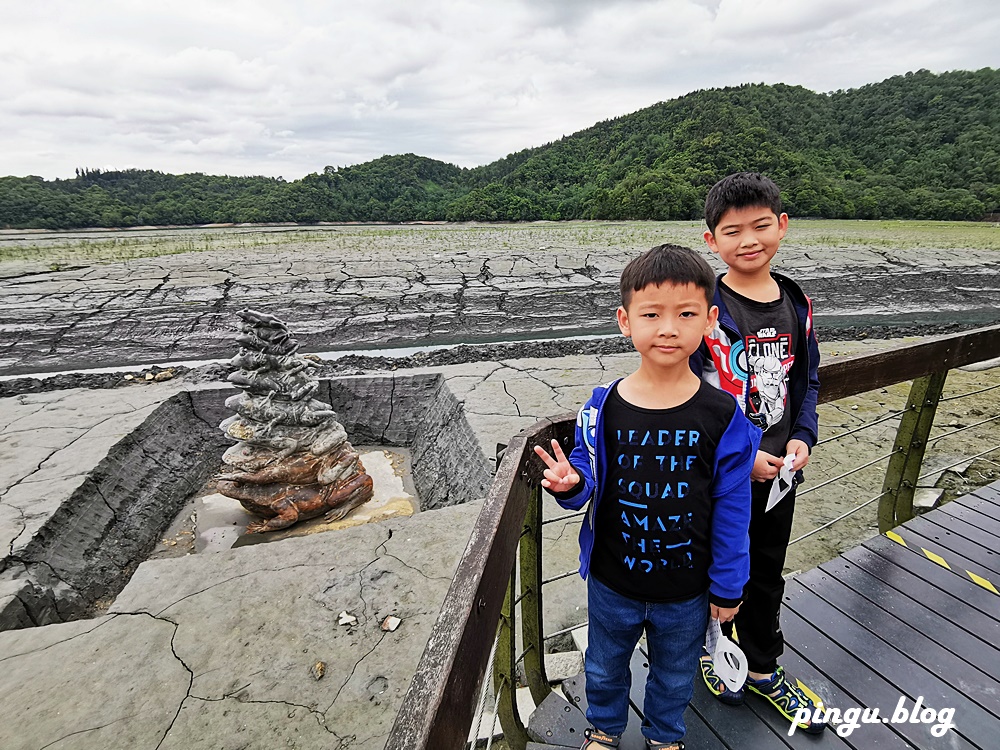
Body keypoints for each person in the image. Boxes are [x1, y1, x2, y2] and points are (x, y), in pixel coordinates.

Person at [534, 244, 761, 750]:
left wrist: (729, 587)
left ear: (710, 320)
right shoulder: (603, 406)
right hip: (613, 581)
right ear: (624, 320)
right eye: (651, 314)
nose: (668, 328)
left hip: (686, 589)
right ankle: (603, 730)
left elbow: (732, 508)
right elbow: (588, 474)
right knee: (604, 666)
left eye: (686, 314)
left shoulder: (723, 414)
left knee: (675, 676)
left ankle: (664, 737)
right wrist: (572, 486)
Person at [693, 172, 826, 734]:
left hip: (779, 476)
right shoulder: (704, 308)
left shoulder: (795, 302)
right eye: (732, 231)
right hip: (721, 479)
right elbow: (689, 396)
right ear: (711, 240)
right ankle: (714, 652)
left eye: (761, 226)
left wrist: (803, 434)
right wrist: (736, 458)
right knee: (715, 570)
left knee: (767, 569)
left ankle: (765, 671)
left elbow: (808, 379)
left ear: (782, 226)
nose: (749, 240)